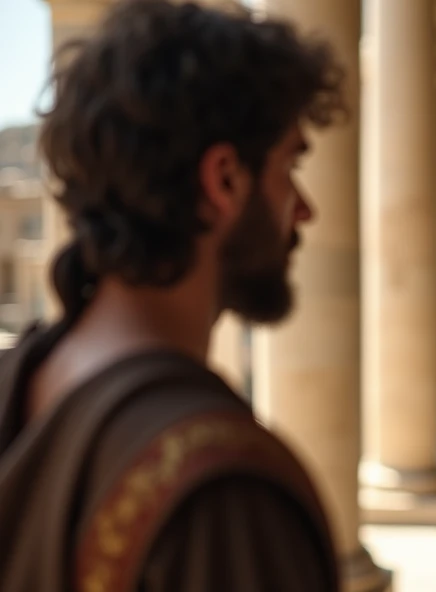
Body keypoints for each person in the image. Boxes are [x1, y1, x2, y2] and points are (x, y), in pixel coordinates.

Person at [0, 1, 347, 590]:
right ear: (225, 180)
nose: (306, 210)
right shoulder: (226, 497)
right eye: (290, 168)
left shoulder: (13, 382)